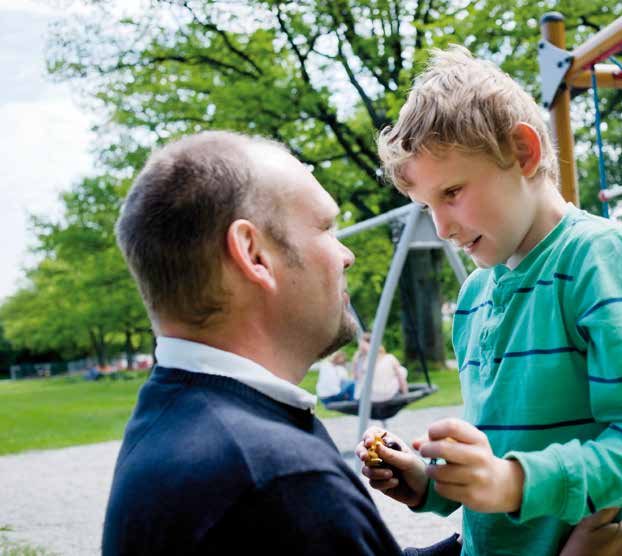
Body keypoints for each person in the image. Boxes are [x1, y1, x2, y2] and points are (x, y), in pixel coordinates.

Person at [358, 46, 622, 556]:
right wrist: (430, 482)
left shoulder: (599, 259)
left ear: (522, 152)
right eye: (427, 206)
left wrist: (515, 482)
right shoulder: (474, 297)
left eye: (452, 192)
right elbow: (499, 461)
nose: (443, 228)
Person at [103, 131, 407, 555]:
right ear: (254, 254)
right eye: (325, 227)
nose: (346, 255)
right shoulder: (277, 481)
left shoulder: (173, 416)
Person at [353, 331, 409, 402]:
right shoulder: (389, 358)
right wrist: (406, 394)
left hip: (368, 396)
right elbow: (401, 378)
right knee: (402, 370)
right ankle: (404, 391)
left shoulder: (360, 360)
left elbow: (355, 377)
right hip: (386, 395)